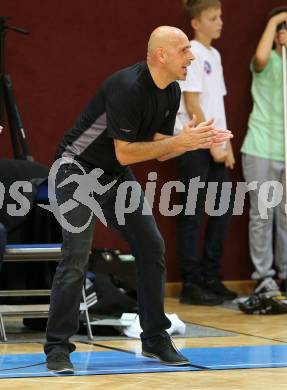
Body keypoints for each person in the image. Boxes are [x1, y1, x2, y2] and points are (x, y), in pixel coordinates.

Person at [45, 25, 232, 373]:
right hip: (75, 169)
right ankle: (58, 348)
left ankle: (155, 340)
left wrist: (190, 141)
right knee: (76, 255)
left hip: (113, 174)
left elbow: (159, 150)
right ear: (161, 54)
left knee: (151, 246)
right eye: (184, 50)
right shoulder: (126, 87)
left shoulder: (171, 90)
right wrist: (178, 143)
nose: (191, 56)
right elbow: (127, 153)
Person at [174, 0, 237, 306]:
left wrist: (227, 146)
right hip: (195, 145)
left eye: (220, 16)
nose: (220, 22)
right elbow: (192, 104)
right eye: (213, 17)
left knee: (223, 210)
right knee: (193, 213)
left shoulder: (215, 54)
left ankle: (211, 276)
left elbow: (217, 105)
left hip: (215, 145)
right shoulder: (193, 52)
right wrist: (213, 144)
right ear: (196, 23)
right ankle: (190, 282)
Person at [241, 7, 287, 295]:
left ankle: (285, 272)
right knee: (262, 213)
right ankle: (264, 277)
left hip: (286, 149)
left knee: (285, 216)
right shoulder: (267, 61)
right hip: (260, 146)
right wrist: (274, 20)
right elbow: (259, 57)